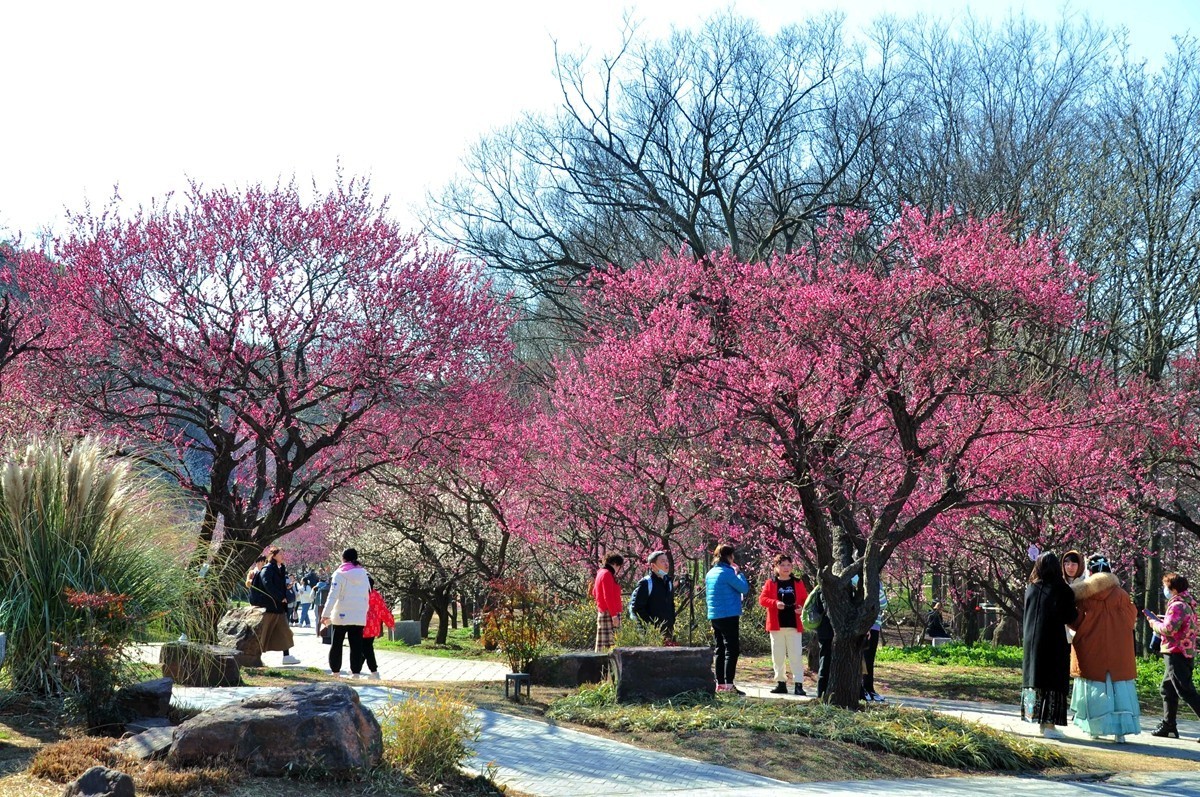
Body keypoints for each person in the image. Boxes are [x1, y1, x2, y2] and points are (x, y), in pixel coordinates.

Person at [1067, 554, 1140, 743]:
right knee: (1119, 691)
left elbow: (1076, 622)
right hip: (1119, 653)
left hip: (1091, 651)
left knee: (1094, 690)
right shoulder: (1122, 594)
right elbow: (1131, 619)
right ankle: (1120, 734)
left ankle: (1095, 729)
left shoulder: (1084, 596)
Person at [1022, 551, 1079, 738]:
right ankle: (1049, 724)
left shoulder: (1031, 587)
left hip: (1032, 640)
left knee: (1035, 678)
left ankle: (1036, 719)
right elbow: (1070, 616)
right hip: (1053, 640)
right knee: (1053, 681)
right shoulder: (1062, 589)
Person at [1144, 572, 1200, 739]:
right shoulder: (1188, 603)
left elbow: (1169, 629)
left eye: (1166, 587)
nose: (1164, 590)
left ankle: (1169, 725)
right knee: (1167, 688)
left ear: (1173, 589)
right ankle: (1169, 725)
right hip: (1184, 651)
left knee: (1185, 690)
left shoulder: (1177, 605)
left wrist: (1154, 623)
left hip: (1176, 652)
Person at [758, 553, 808, 695]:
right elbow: (762, 600)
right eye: (782, 565)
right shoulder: (771, 583)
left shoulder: (798, 582)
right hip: (776, 626)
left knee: (796, 656)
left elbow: (805, 600)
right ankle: (781, 683)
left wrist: (802, 609)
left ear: (792, 567)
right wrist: (775, 603)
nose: (786, 568)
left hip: (794, 624)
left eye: (788, 565)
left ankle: (798, 684)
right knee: (778, 656)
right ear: (776, 567)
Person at [319, 548, 372, 678]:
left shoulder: (340, 574)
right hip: (358, 614)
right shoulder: (364, 574)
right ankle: (356, 672)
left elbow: (333, 596)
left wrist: (325, 614)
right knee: (356, 644)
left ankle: (335, 671)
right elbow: (368, 594)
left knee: (337, 642)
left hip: (341, 613)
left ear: (343, 558)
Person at [706, 543, 750, 694]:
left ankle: (720, 684)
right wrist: (739, 573)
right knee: (732, 649)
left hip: (715, 615)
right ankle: (729, 685)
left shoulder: (711, 572)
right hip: (729, 614)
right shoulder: (728, 572)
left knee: (720, 649)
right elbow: (743, 588)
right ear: (729, 556)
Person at [257, 547, 300, 665]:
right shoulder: (268, 569)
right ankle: (256, 656)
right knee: (264, 632)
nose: (283, 556)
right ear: (274, 555)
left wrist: (285, 589)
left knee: (284, 631)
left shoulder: (281, 568)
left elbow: (276, 585)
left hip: (279, 607)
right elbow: (267, 585)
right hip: (270, 607)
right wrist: (280, 596)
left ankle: (286, 656)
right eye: (281, 553)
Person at [631, 551, 676, 638]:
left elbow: (671, 604)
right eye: (662, 561)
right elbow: (637, 608)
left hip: (667, 631)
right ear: (652, 565)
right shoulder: (646, 583)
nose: (666, 564)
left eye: (667, 561)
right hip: (651, 633)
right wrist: (650, 625)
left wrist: (672, 621)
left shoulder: (668, 582)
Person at [362, 577, 396, 679]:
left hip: (362, 625)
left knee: (365, 648)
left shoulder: (360, 595)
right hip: (374, 627)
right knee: (366, 647)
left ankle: (373, 671)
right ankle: (359, 669)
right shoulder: (376, 595)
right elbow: (383, 610)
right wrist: (391, 623)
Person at [862, 582, 889, 703]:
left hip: (875, 625)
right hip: (866, 625)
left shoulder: (876, 580)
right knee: (864, 659)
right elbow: (882, 603)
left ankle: (869, 688)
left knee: (869, 660)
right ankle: (863, 688)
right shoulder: (857, 578)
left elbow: (883, 604)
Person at [593, 554, 624, 651]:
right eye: (619, 566)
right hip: (610, 613)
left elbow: (594, 592)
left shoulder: (600, 572)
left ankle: (600, 665)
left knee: (602, 646)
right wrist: (614, 615)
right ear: (615, 564)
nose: (618, 569)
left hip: (603, 611)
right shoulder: (607, 574)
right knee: (612, 645)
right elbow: (608, 596)